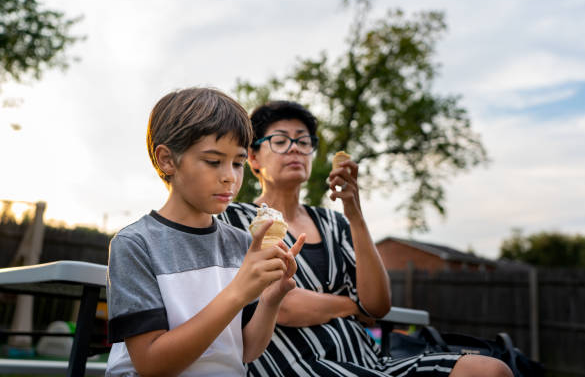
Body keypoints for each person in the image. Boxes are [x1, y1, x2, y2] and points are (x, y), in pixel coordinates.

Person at [218, 100, 513, 377]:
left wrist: (354, 213)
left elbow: (377, 305)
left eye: (304, 141)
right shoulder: (238, 220)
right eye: (281, 141)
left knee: (490, 370)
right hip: (298, 364)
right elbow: (284, 306)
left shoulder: (334, 222)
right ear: (253, 158)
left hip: (367, 358)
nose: (295, 149)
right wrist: (348, 305)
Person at [105, 88, 305, 377]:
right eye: (214, 161)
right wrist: (238, 292)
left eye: (238, 163)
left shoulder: (241, 243)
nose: (230, 176)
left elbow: (247, 349)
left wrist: (271, 299)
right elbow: (151, 364)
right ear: (167, 160)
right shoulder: (136, 244)